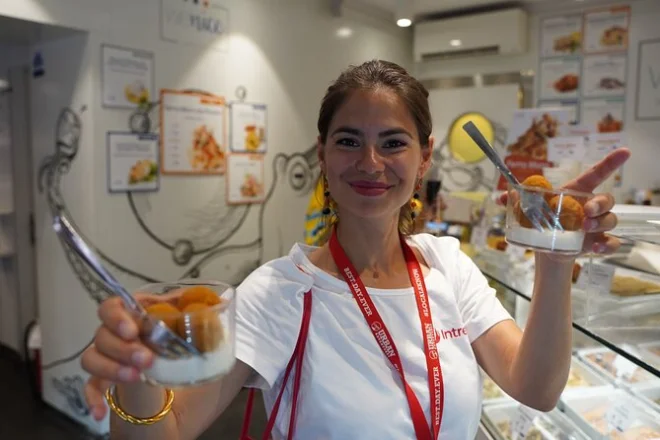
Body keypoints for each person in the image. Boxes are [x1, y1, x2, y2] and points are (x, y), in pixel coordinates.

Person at [81, 60, 630, 440]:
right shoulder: (279, 291)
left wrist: (555, 256)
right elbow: (170, 431)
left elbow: (536, 388)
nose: (370, 163)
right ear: (322, 154)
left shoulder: (448, 266)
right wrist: (136, 374)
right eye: (349, 141)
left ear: (424, 157)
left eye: (393, 143)